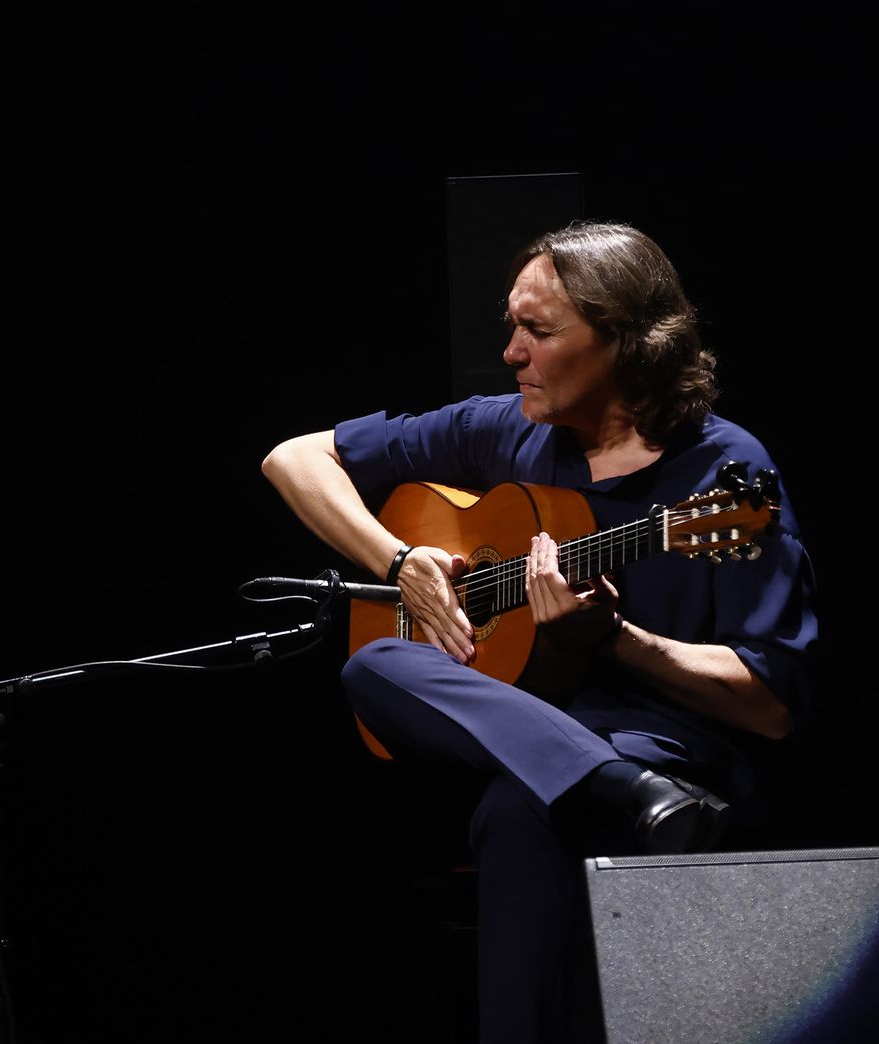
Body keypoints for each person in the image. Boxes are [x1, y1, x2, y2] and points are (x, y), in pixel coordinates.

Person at [262, 221, 818, 1043]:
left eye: (540, 331)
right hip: (567, 745)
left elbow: (771, 706)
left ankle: (622, 786)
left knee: (521, 808)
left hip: (674, 747)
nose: (513, 353)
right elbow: (293, 458)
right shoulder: (506, 428)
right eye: (512, 327)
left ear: (629, 343)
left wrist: (615, 637)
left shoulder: (725, 478)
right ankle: (622, 792)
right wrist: (400, 558)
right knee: (374, 662)